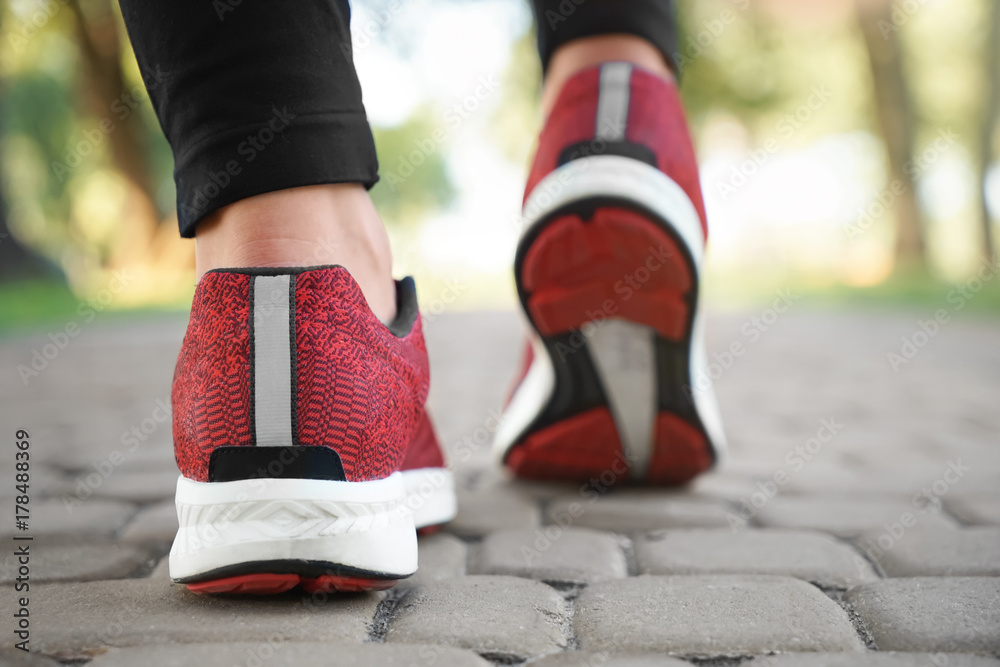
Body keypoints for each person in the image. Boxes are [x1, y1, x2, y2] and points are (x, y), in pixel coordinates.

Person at [118, 0, 725, 595]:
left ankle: (281, 226)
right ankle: (611, 89)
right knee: (609, 45)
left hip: (225, 386)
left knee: (278, 227)